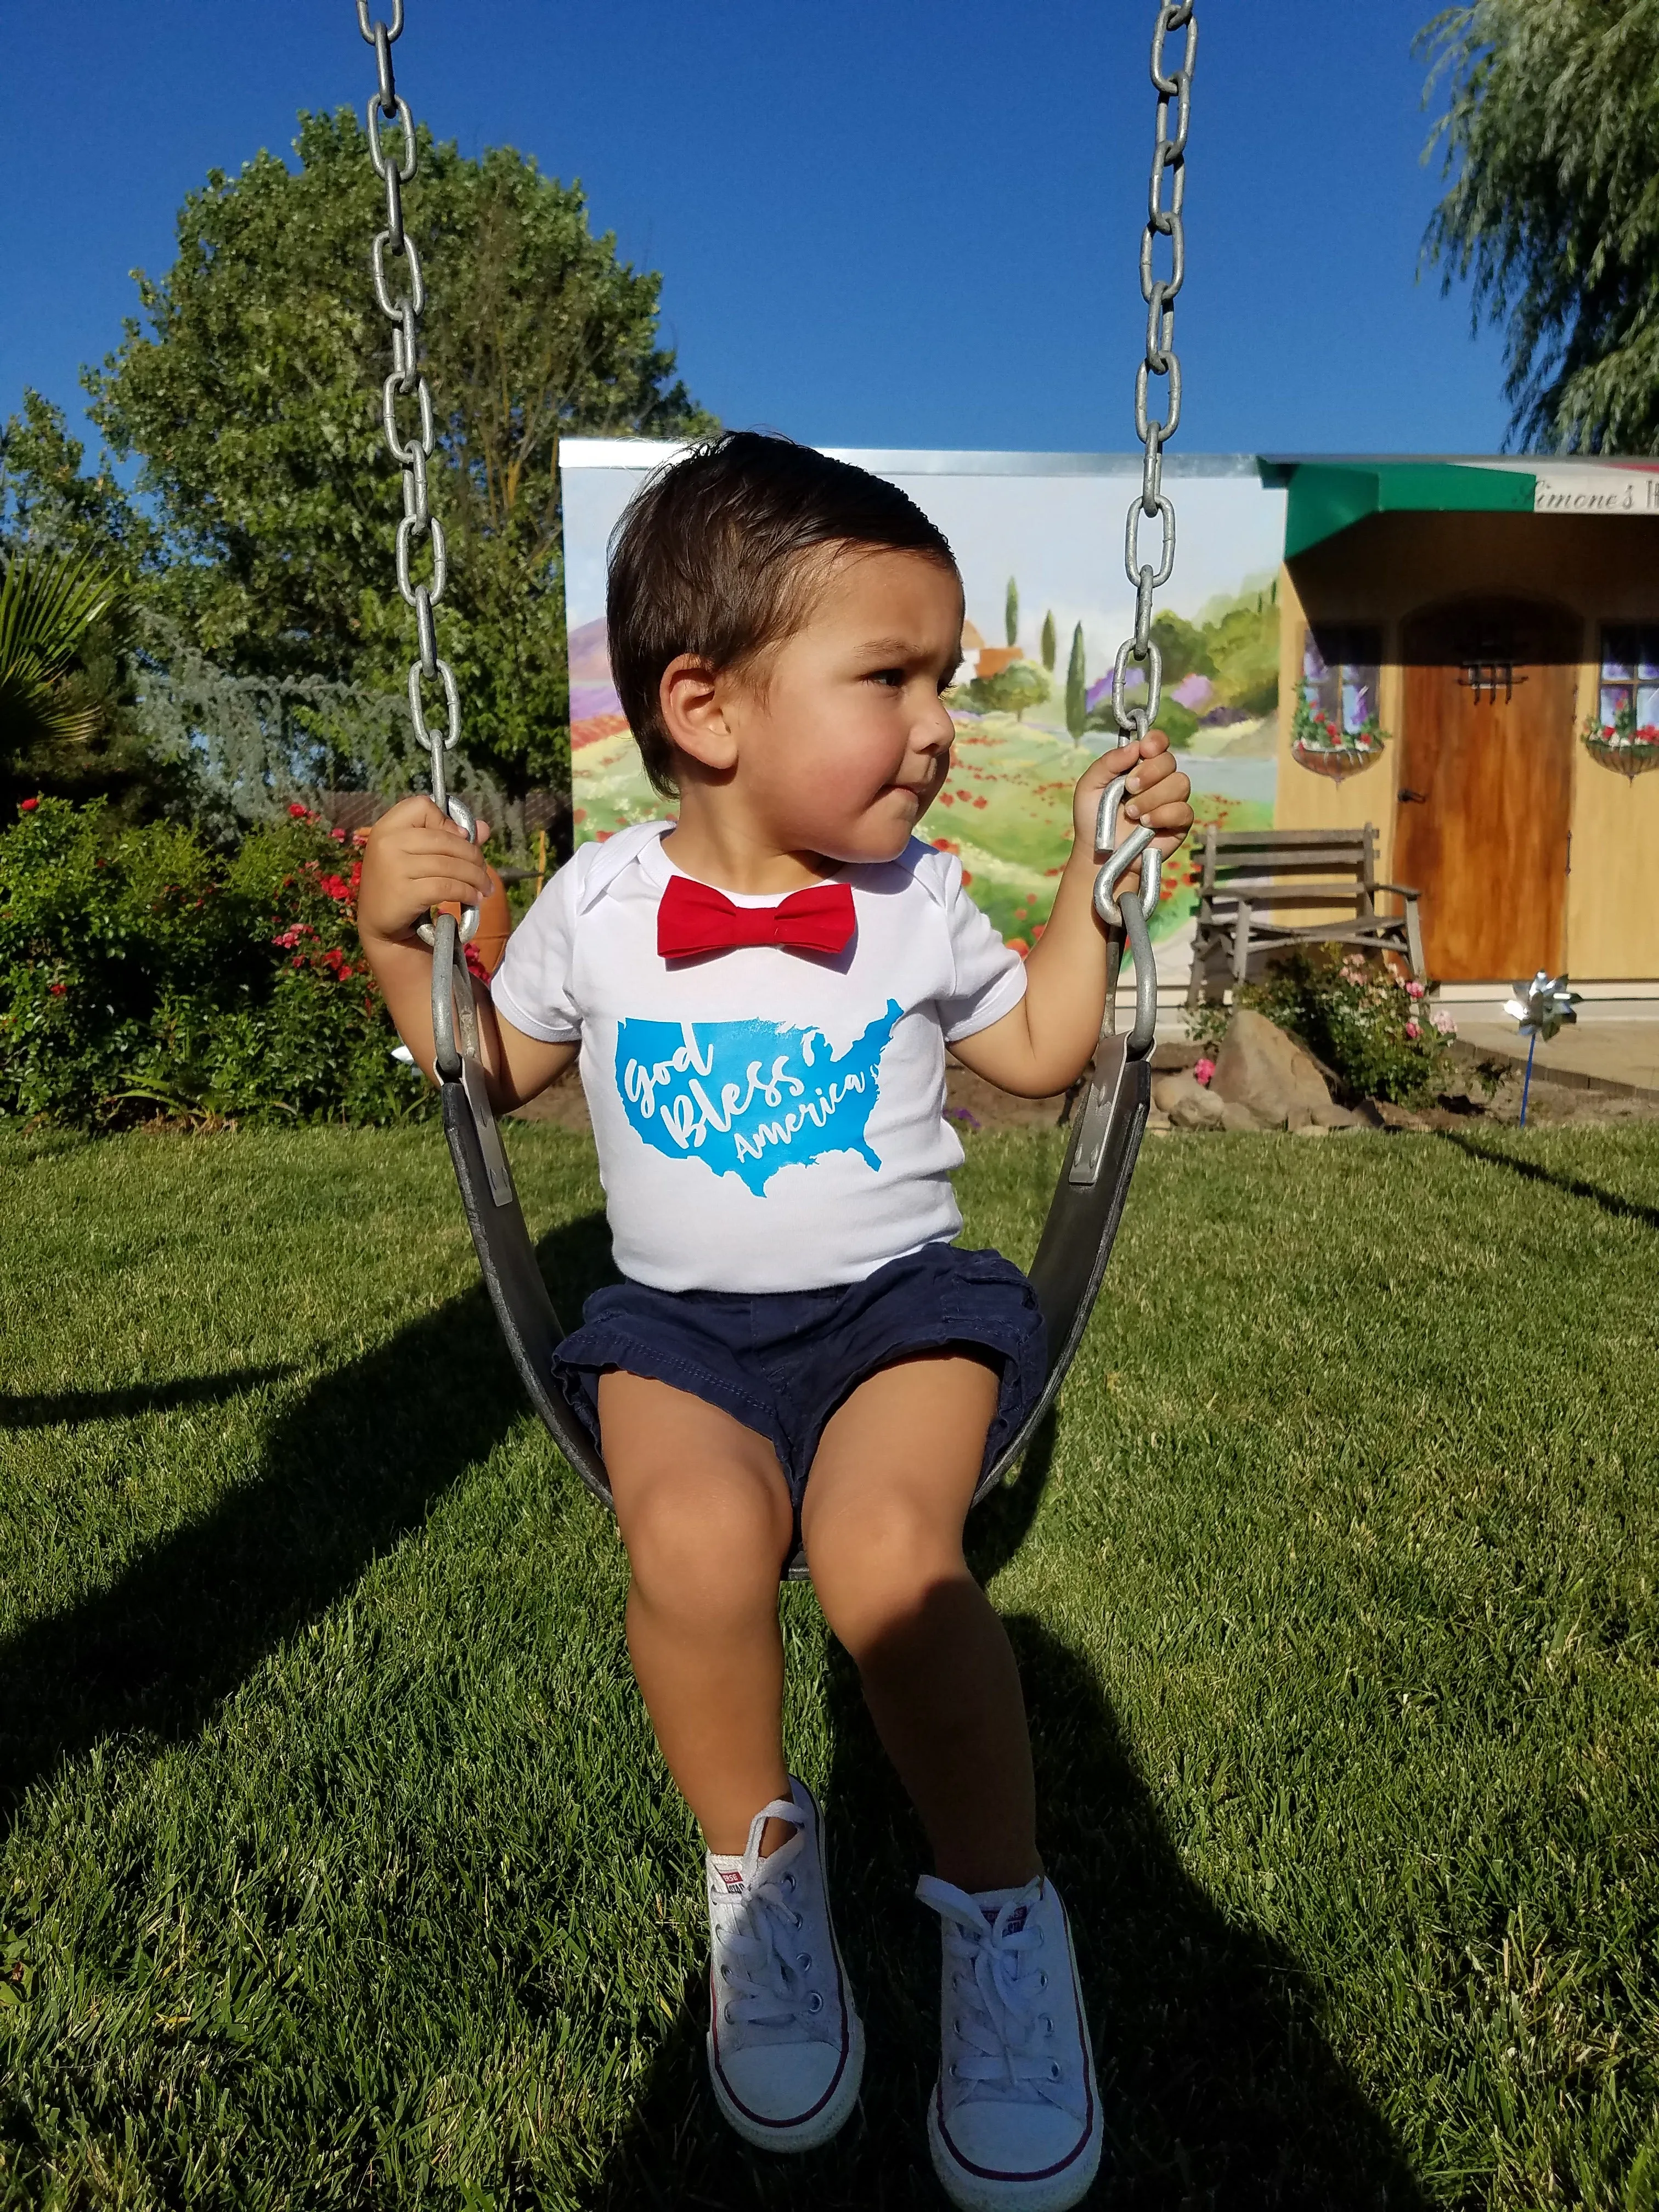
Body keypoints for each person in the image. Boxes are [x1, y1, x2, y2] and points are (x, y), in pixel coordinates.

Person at [358, 432, 1192, 2209]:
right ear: (707, 707)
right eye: (888, 678)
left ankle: (999, 1922)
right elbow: (490, 1070)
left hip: (903, 1311)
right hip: (676, 1334)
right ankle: (765, 1879)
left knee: (892, 1556)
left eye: (944, 681)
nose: (939, 723)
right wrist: (390, 940)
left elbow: (1039, 1061)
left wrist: (1092, 895)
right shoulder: (594, 908)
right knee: (691, 1545)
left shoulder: (923, 902)